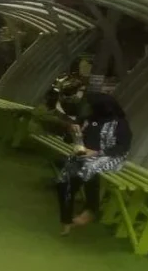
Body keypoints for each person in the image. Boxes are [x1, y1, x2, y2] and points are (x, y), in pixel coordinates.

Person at [56, 92, 132, 236]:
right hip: (86, 156)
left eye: (91, 106)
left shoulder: (120, 124)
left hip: (109, 156)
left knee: (89, 168)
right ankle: (66, 220)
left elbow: (122, 147)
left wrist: (96, 152)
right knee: (64, 180)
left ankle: (91, 209)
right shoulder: (88, 120)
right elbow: (72, 140)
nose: (88, 109)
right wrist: (73, 132)